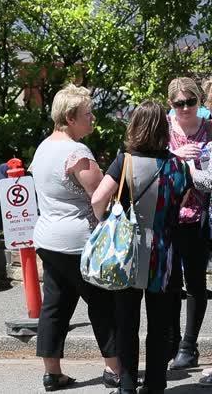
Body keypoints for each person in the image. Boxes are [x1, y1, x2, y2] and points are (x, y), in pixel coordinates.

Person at [92, 101, 193, 394]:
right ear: (164, 128)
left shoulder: (123, 162)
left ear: (134, 126)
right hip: (164, 256)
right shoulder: (177, 165)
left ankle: (126, 387)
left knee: (126, 324)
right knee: (160, 327)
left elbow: (98, 199)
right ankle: (155, 386)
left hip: (127, 255)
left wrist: (107, 222)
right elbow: (181, 203)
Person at [28, 84, 119, 391]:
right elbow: (100, 196)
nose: (93, 118)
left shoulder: (44, 147)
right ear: (69, 117)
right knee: (103, 303)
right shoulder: (76, 152)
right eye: (88, 114)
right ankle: (114, 369)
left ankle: (52, 373)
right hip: (79, 241)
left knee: (55, 305)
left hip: (48, 239)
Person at [166, 77, 212, 370]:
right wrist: (175, 156)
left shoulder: (209, 130)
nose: (184, 108)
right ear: (170, 104)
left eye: (190, 102)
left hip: (200, 218)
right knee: (168, 285)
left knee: (195, 283)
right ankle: (170, 341)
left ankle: (188, 345)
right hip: (167, 217)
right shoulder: (163, 131)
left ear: (199, 101)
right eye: (178, 103)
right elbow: (144, 162)